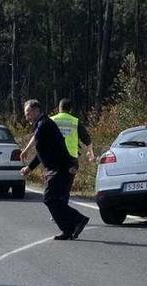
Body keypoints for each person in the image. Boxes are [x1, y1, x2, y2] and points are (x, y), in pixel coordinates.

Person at [20, 99, 90, 240]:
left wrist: (29, 168)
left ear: (35, 111)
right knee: (55, 199)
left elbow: (39, 149)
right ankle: (68, 229)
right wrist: (29, 168)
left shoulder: (43, 124)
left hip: (61, 167)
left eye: (28, 113)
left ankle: (78, 220)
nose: (26, 117)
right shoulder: (42, 124)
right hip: (59, 166)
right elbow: (43, 150)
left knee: (50, 198)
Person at [51, 98, 95, 189]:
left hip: (54, 157)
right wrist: (91, 154)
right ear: (70, 109)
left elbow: (40, 137)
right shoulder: (75, 121)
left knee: (54, 183)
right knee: (67, 183)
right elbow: (87, 139)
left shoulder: (51, 120)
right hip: (71, 159)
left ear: (59, 108)